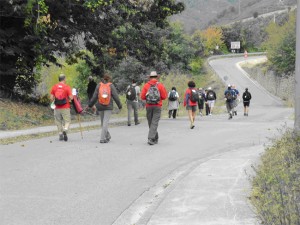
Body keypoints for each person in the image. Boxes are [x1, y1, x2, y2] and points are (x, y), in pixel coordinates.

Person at [87, 73, 122, 143]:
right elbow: (116, 96)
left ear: (103, 78)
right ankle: (102, 138)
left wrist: (90, 105)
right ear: (109, 79)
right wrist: (120, 105)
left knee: (103, 123)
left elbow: (94, 97)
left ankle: (108, 136)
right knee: (105, 123)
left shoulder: (99, 85)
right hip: (108, 106)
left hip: (100, 105)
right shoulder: (111, 85)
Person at [141, 71, 167, 145]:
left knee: (150, 122)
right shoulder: (160, 85)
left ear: (150, 77)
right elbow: (164, 97)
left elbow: (142, 97)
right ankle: (153, 138)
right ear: (157, 77)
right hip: (157, 106)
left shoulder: (146, 85)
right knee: (154, 122)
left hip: (149, 106)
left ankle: (152, 138)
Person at [50, 74, 73, 141]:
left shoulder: (54, 87)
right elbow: (71, 97)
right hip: (65, 107)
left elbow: (51, 98)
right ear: (64, 79)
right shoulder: (67, 87)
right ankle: (65, 130)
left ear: (59, 79)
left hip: (57, 107)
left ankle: (60, 134)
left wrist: (55, 100)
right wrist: (70, 98)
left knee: (58, 121)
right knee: (67, 121)